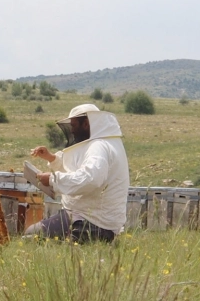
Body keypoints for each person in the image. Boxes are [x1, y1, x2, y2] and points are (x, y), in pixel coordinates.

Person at [25, 103, 129, 243]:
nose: (72, 131)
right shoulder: (104, 143)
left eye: (74, 125)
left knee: (32, 236)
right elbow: (77, 169)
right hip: (93, 219)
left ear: (85, 124)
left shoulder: (98, 147)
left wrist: (52, 179)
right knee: (34, 235)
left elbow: (90, 179)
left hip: (93, 222)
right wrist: (52, 158)